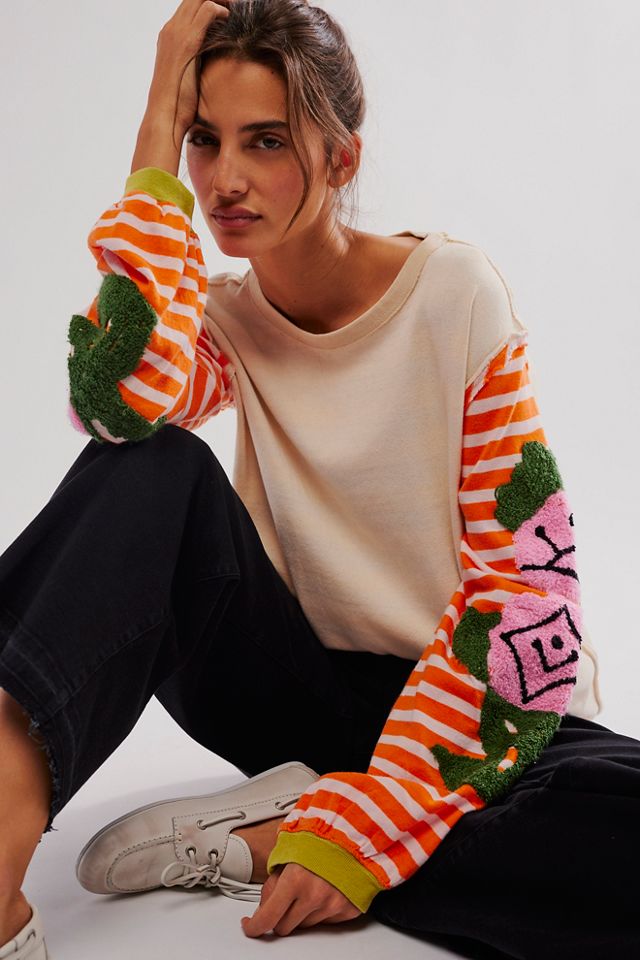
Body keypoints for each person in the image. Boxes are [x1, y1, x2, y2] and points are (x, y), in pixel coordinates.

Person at [0, 1, 638, 958]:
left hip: (473, 701)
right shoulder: (220, 322)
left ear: (342, 159)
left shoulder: (454, 297)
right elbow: (115, 397)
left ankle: (286, 830)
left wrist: (372, 827)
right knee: (150, 465)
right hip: (294, 686)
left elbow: (526, 591)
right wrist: (155, 128)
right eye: (204, 141)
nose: (224, 179)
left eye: (265, 141)